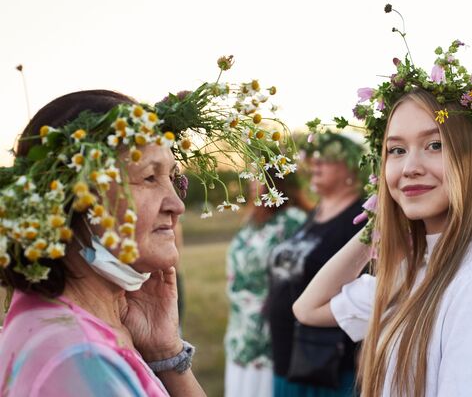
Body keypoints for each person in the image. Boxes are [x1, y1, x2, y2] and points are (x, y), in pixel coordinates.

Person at [293, 33, 472, 396]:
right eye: (396, 150)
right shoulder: (414, 267)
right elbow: (308, 308)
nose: (409, 167)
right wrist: (380, 218)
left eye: (435, 145)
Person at [0, 65, 294, 396]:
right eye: (149, 177)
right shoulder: (77, 362)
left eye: (172, 177)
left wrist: (165, 354)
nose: (176, 204)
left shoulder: (91, 329)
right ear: (72, 198)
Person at [265, 130, 366, 397]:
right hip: (286, 357)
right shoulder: (315, 213)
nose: (315, 164)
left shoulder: (362, 219)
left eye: (327, 158)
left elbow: (375, 288)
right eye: (314, 158)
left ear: (352, 167)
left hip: (328, 366)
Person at [224, 171, 311, 397]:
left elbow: (295, 280)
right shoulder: (254, 220)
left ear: (277, 180)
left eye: (259, 177)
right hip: (241, 333)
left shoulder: (292, 220)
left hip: (268, 339)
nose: (253, 183)